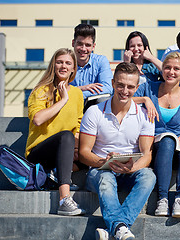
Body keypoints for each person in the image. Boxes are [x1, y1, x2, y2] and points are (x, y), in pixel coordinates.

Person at [79, 62, 156, 240]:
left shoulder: (145, 115)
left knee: (149, 176)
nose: (125, 90)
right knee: (105, 177)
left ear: (137, 88)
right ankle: (121, 227)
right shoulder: (94, 112)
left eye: (130, 87)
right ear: (113, 83)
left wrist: (131, 168)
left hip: (129, 171)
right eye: (120, 85)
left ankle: (115, 228)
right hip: (99, 171)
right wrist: (104, 162)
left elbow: (147, 155)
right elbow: (84, 152)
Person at [134, 52, 180, 218]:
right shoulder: (148, 88)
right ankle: (162, 198)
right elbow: (122, 100)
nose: (171, 72)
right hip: (154, 145)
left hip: (177, 146)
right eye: (167, 67)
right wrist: (145, 100)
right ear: (162, 70)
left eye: (176, 68)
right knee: (167, 140)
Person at [25, 48, 85, 216]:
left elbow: (78, 127)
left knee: (90, 148)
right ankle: (64, 199)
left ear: (74, 68)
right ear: (53, 65)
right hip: (39, 154)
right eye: (59, 62)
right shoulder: (41, 90)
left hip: (64, 151)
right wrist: (63, 99)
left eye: (68, 63)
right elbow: (38, 119)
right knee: (65, 136)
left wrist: (76, 149)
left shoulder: (78, 94)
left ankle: (57, 173)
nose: (63, 66)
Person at [70, 23, 113, 108]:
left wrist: (75, 93)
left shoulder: (101, 61)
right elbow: (57, 91)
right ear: (73, 43)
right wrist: (81, 88)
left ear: (93, 46)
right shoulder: (65, 62)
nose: (83, 49)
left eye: (88, 45)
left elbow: (108, 88)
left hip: (95, 109)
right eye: (80, 44)